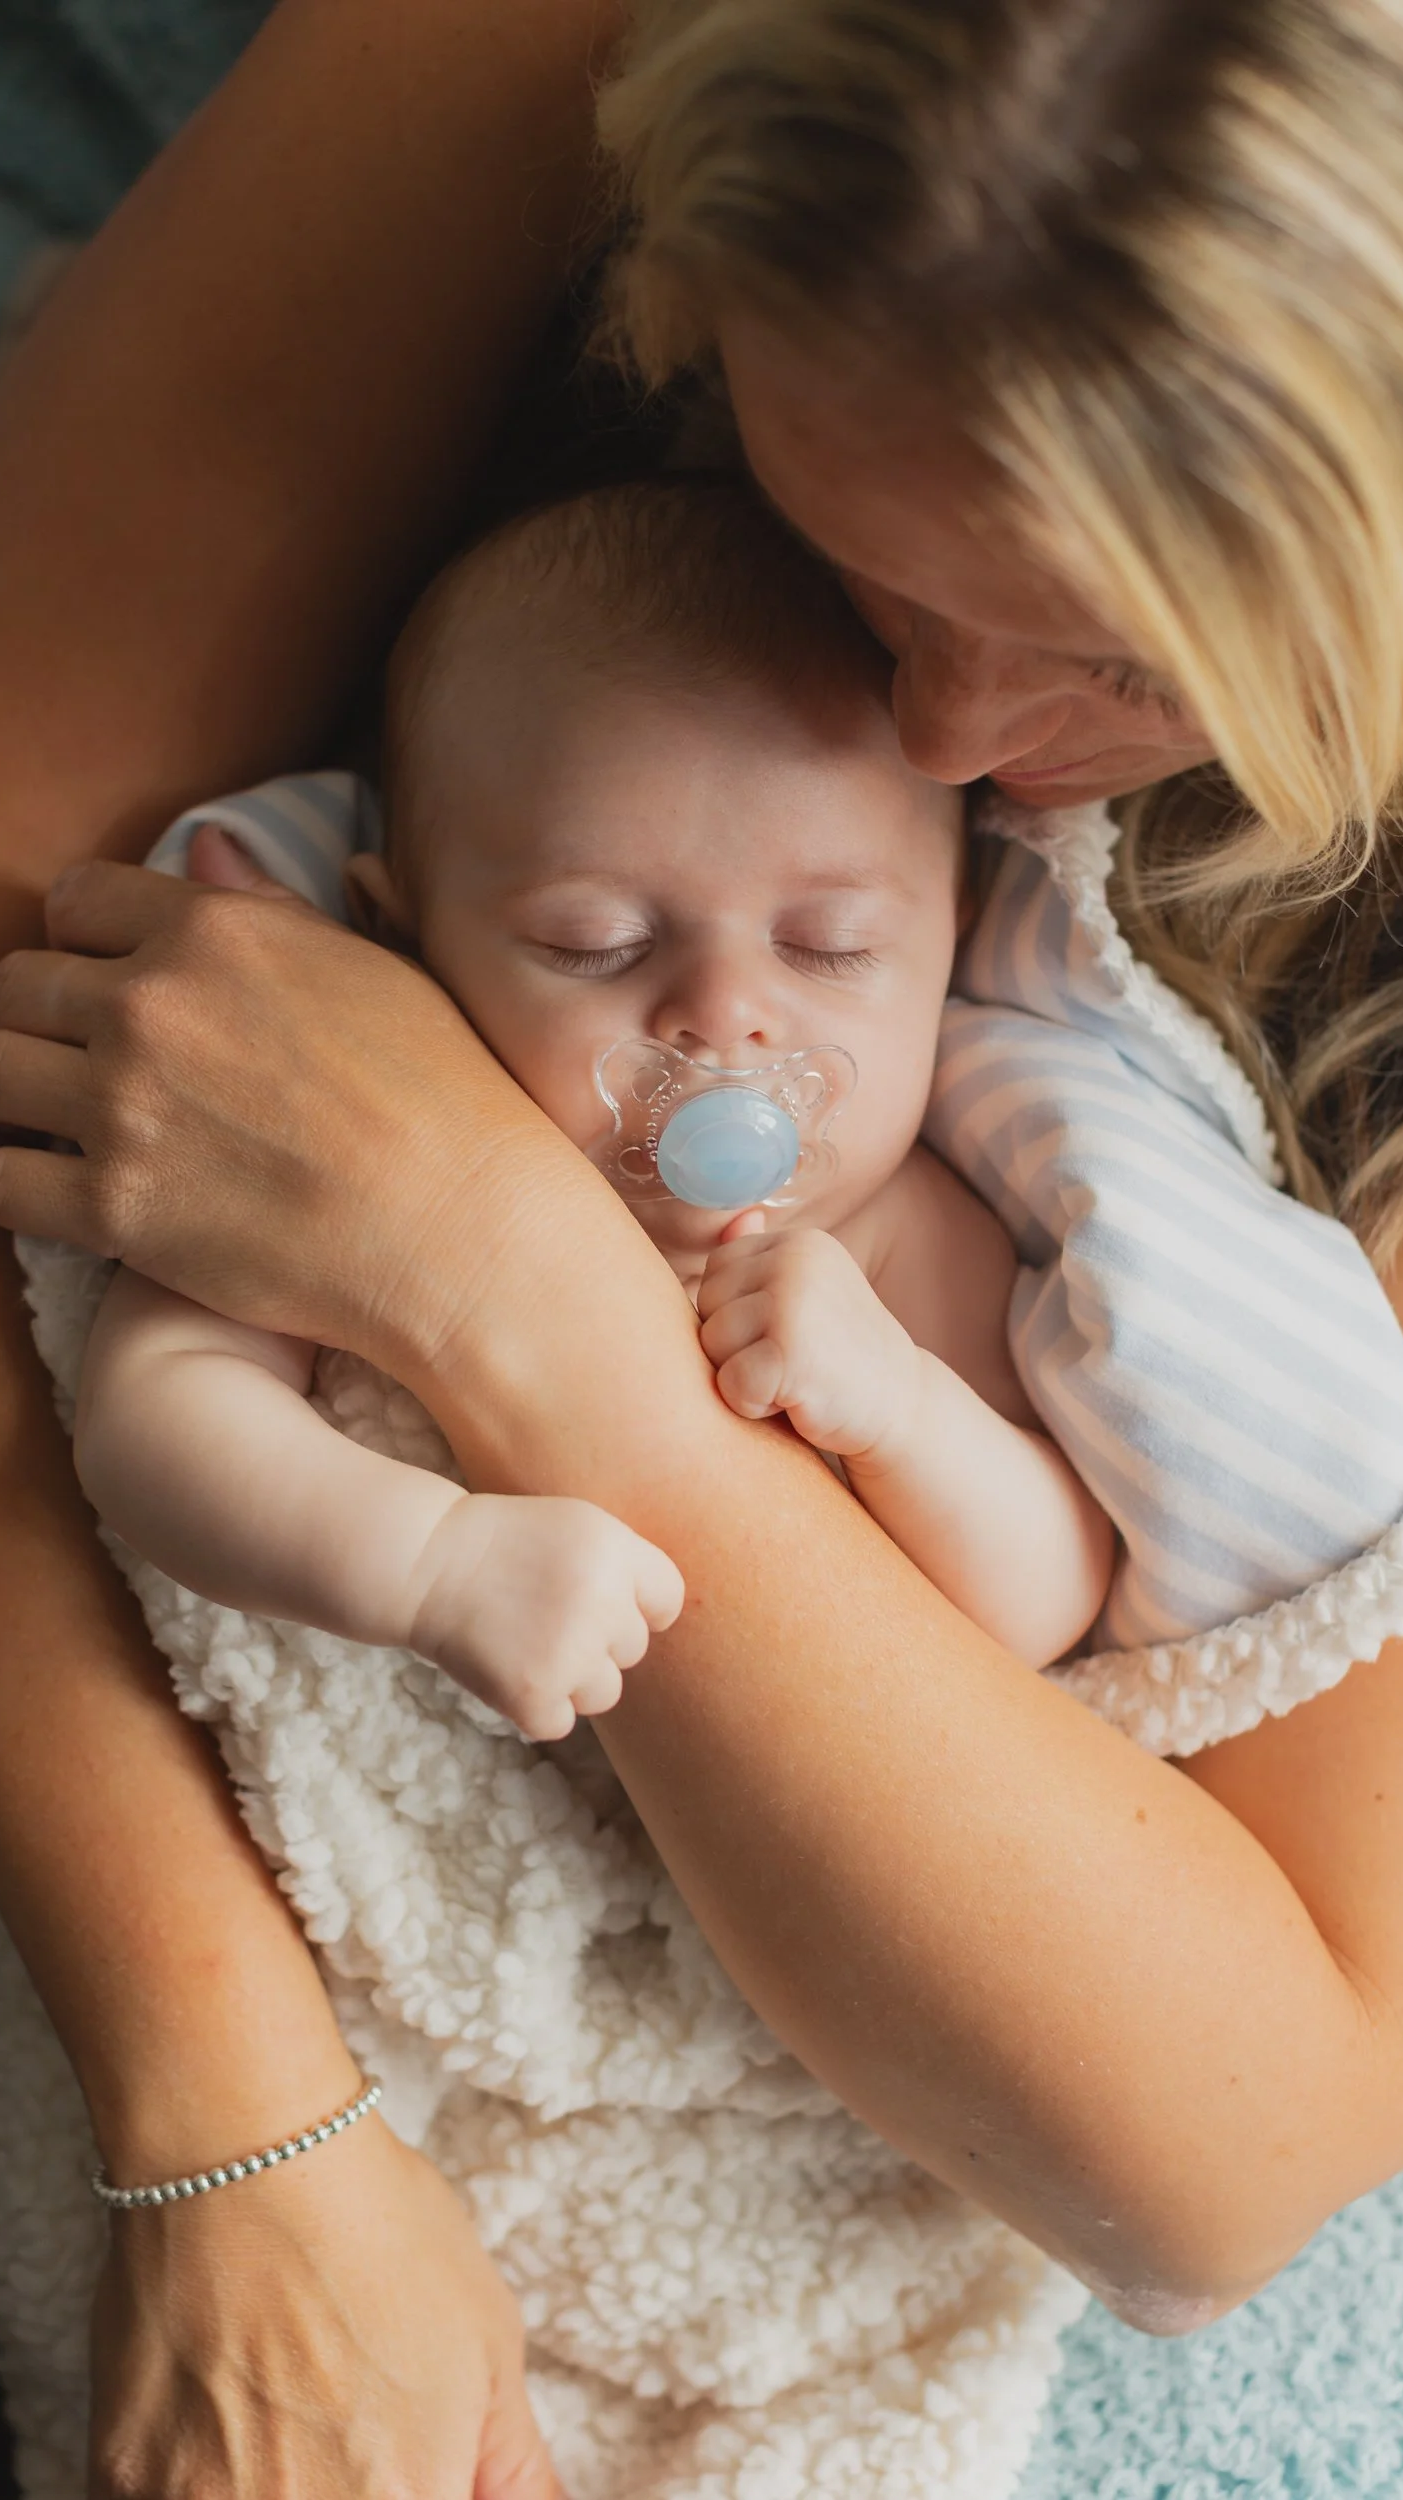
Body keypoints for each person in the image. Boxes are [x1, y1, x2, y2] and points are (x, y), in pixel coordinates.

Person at [0, 6, 1403, 2498]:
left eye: (1129, 660)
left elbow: (1232, 2130)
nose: (942, 754)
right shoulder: (550, 60)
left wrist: (507, 1290)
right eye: (854, 556)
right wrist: (233, 2111)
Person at [77, 480, 1114, 1728]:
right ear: (396, 941)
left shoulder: (893, 1237)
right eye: (596, 942)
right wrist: (426, 1565)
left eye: (829, 946)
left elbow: (1050, 1595)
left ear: (952, 943)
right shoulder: (332, 1157)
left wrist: (900, 1411)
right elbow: (153, 1415)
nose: (727, 1015)